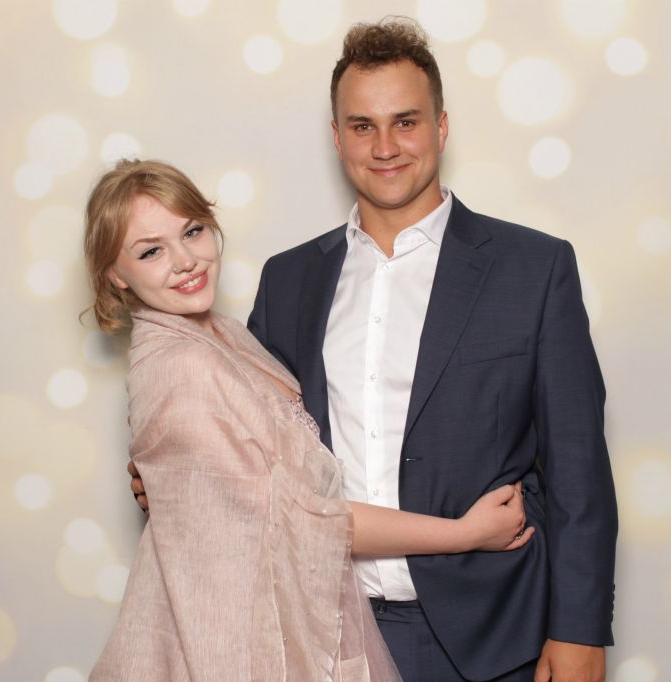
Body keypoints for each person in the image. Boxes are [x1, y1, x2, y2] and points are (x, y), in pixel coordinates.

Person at [132, 17, 618, 682]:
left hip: (496, 634)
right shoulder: (290, 281)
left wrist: (580, 632)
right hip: (326, 635)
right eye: (362, 126)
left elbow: (578, 469)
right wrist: (175, 472)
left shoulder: (533, 269)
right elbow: (253, 445)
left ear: (441, 127)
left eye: (405, 122)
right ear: (337, 137)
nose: (385, 146)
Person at [84, 159, 535, 682]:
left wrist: (175, 483)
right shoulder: (181, 365)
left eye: (192, 231)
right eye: (151, 251)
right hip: (235, 646)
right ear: (115, 273)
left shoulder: (223, 334)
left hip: (282, 625)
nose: (185, 261)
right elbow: (306, 520)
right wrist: (463, 533)